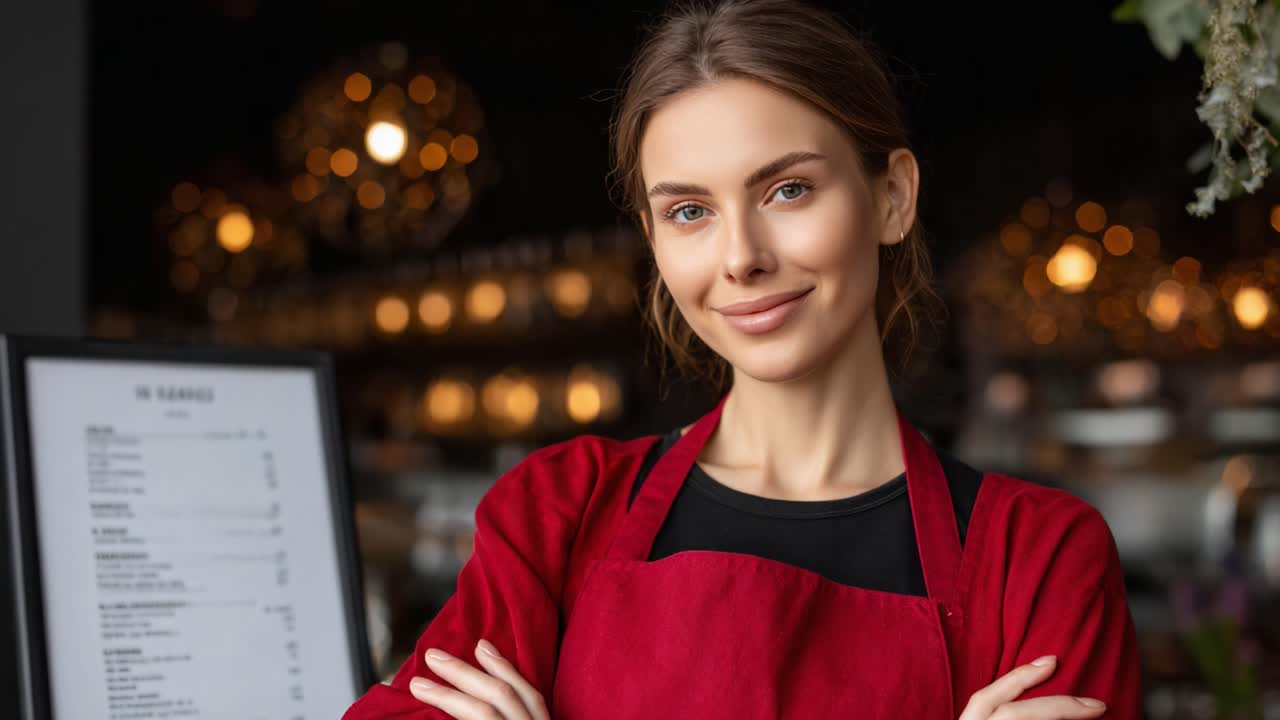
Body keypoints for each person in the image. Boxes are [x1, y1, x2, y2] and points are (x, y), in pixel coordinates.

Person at [342, 0, 1142, 717]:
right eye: (689, 211)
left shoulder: (1037, 556)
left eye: (787, 190)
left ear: (892, 197)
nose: (740, 258)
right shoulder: (554, 516)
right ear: (656, 243)